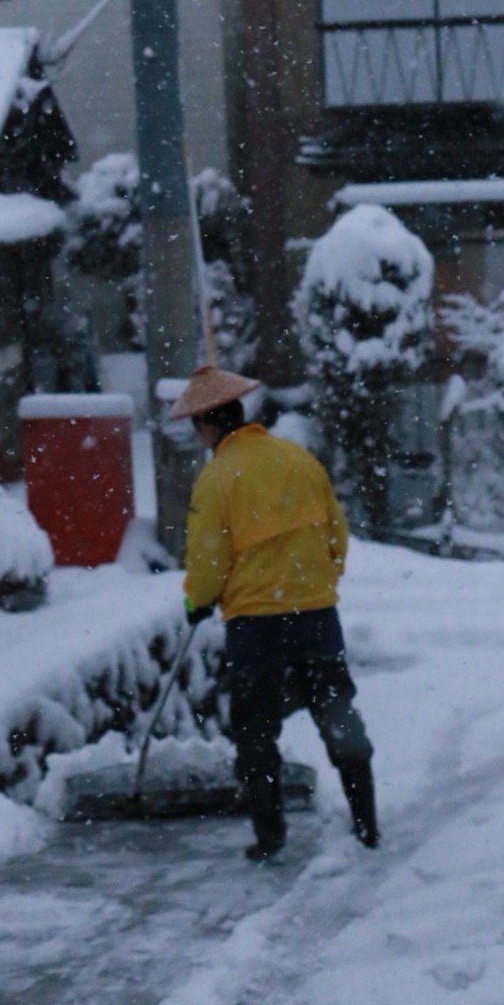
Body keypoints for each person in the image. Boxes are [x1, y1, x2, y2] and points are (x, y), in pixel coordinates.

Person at [174, 364, 379, 861]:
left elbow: (206, 560)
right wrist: (317, 583)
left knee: (256, 734)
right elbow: (337, 536)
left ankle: (270, 838)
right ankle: (367, 824)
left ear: (208, 423)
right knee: (339, 718)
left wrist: (196, 602)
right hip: (316, 618)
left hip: (255, 627)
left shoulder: (216, 478)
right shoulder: (299, 460)